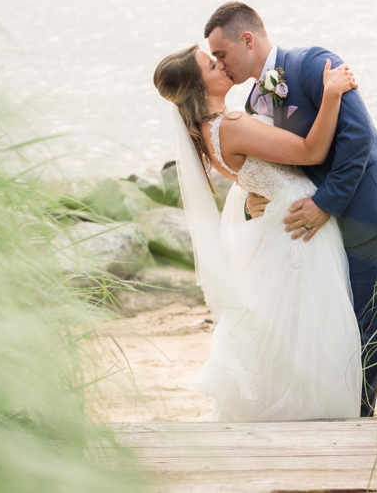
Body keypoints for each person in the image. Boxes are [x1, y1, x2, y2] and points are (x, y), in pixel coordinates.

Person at [205, 1, 377, 416]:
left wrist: (325, 203)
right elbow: (271, 163)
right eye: (213, 60)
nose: (220, 64)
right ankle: (333, 411)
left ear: (247, 40)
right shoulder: (252, 102)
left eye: (221, 54)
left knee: (365, 319)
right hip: (317, 225)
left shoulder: (316, 64)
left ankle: (360, 415)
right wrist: (252, 197)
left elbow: (356, 139)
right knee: (330, 322)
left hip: (363, 207)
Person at [154, 44, 362, 420]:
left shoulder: (208, 131)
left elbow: (247, 177)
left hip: (281, 228)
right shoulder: (229, 125)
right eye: (211, 64)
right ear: (199, 87)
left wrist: (251, 195)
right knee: (311, 333)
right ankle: (312, 419)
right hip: (301, 229)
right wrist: (331, 94)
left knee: (289, 333)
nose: (221, 65)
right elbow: (312, 151)